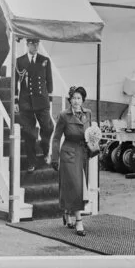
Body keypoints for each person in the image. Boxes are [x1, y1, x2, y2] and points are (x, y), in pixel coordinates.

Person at [51, 86, 94, 237]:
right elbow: (56, 138)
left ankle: (67, 213)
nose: (76, 101)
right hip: (69, 153)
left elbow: (90, 133)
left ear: (83, 100)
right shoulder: (64, 115)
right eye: (74, 98)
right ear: (70, 100)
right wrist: (54, 158)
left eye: (79, 98)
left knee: (80, 186)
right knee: (75, 187)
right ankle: (79, 220)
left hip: (83, 153)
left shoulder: (88, 113)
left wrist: (94, 143)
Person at [14, 38, 54, 173]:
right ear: (27, 44)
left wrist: (50, 98)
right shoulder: (20, 61)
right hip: (26, 102)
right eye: (32, 44)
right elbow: (15, 82)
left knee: (47, 128)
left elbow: (49, 80)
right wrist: (15, 100)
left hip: (42, 101)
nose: (35, 46)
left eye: (37, 43)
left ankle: (45, 147)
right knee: (28, 134)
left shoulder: (45, 60)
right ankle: (32, 162)